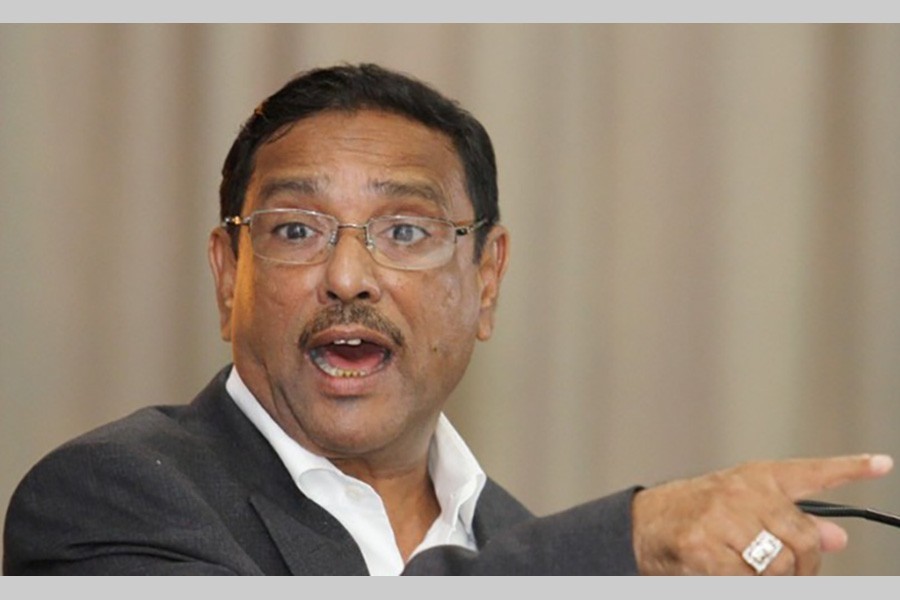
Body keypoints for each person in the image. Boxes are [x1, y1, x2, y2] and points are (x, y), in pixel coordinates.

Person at [2, 63, 893, 576]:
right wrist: (624, 541)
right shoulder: (106, 496)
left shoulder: (512, 538)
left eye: (405, 231)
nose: (348, 276)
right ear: (228, 271)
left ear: (487, 280)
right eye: (297, 230)